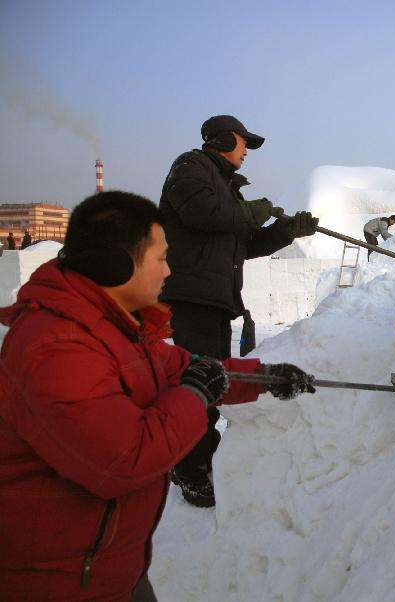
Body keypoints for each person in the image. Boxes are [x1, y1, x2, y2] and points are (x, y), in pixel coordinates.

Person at [0, 191, 314, 600]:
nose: (170, 270)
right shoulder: (56, 347)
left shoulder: (114, 329)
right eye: (162, 258)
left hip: (109, 567)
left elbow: (183, 368)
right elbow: (124, 459)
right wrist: (194, 394)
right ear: (117, 265)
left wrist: (264, 378)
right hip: (54, 582)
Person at [159, 114, 318, 507]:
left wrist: (286, 231)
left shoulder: (225, 186)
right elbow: (202, 212)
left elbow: (244, 244)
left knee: (212, 381)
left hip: (215, 300)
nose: (246, 151)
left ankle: (201, 457)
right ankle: (190, 470)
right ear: (224, 139)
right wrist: (247, 212)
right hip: (192, 297)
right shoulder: (190, 168)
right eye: (244, 142)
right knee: (198, 383)